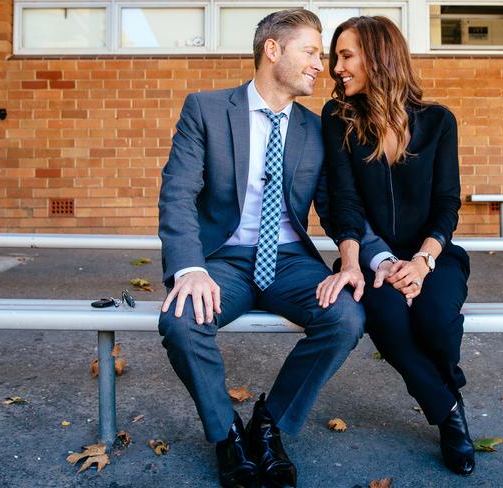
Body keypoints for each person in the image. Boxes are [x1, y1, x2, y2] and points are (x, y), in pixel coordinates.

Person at [158, 10, 370, 488]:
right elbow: (178, 193)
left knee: (346, 317)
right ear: (272, 50)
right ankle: (226, 434)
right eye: (311, 52)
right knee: (181, 321)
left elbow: (340, 208)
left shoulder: (317, 129)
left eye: (324, 55)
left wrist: (375, 258)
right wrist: (190, 267)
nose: (323, 65)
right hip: (222, 262)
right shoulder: (206, 109)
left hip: (291, 263)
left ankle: (270, 424)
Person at [317, 16, 475, 475]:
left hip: (433, 256)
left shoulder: (439, 121)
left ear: (380, 56)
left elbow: (447, 203)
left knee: (435, 319)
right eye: (335, 58)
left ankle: (443, 386)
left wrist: (423, 260)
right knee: (386, 317)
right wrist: (380, 259)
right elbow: (343, 201)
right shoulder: (339, 118)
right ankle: (449, 413)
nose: (337, 68)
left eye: (346, 56)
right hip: (370, 258)